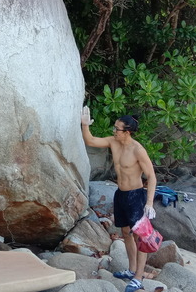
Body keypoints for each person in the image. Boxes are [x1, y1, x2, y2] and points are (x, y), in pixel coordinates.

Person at [81, 106, 156, 292]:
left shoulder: (138, 150)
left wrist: (149, 203)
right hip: (120, 194)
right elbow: (90, 140)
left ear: (127, 132)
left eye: (117, 129)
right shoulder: (113, 142)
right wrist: (84, 125)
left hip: (136, 195)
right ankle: (131, 270)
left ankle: (138, 277)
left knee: (141, 237)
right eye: (114, 128)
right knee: (125, 232)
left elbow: (151, 176)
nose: (114, 131)